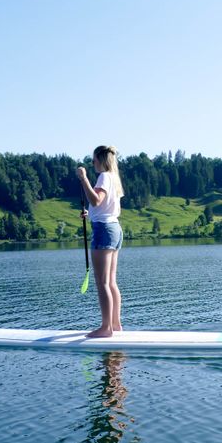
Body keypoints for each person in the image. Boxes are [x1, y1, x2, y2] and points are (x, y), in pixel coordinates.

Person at [77, 145, 125, 338]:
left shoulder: (104, 176)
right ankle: (115, 324)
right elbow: (103, 206)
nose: (92, 163)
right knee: (111, 282)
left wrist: (84, 178)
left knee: (102, 283)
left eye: (94, 159)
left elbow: (96, 200)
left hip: (104, 231)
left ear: (101, 159)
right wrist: (90, 214)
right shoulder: (114, 177)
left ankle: (106, 328)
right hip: (114, 228)